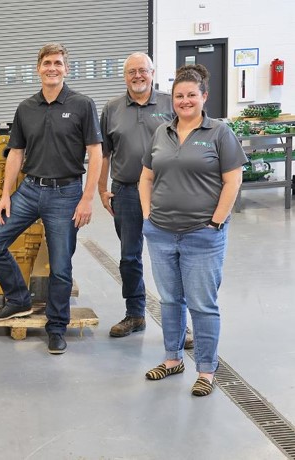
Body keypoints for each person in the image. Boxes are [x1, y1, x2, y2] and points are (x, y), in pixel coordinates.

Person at [0, 43, 103, 354]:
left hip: (66, 193)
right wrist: (6, 194)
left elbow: (96, 153)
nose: (52, 68)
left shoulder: (82, 104)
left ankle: (56, 326)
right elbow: (16, 154)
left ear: (66, 69)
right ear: (38, 68)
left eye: (58, 63)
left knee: (60, 266)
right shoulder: (26, 108)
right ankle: (19, 299)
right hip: (30, 190)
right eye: (47, 62)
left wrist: (88, 198)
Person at [139, 64, 246, 397]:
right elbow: (146, 177)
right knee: (170, 300)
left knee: (202, 304)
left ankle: (206, 370)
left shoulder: (219, 133)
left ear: (204, 97)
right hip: (161, 233)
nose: (185, 101)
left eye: (191, 95)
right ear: (172, 99)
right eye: (179, 96)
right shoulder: (161, 132)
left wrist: (215, 222)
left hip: (203, 234)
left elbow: (233, 180)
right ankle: (172, 360)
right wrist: (147, 216)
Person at [98, 53, 173, 338]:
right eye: (132, 72)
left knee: (170, 256)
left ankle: (176, 322)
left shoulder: (169, 103)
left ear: (152, 73)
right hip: (126, 192)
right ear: (125, 76)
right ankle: (135, 314)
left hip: (165, 192)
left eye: (143, 70)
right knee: (130, 256)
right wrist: (102, 190)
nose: (137, 76)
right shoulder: (112, 108)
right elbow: (103, 153)